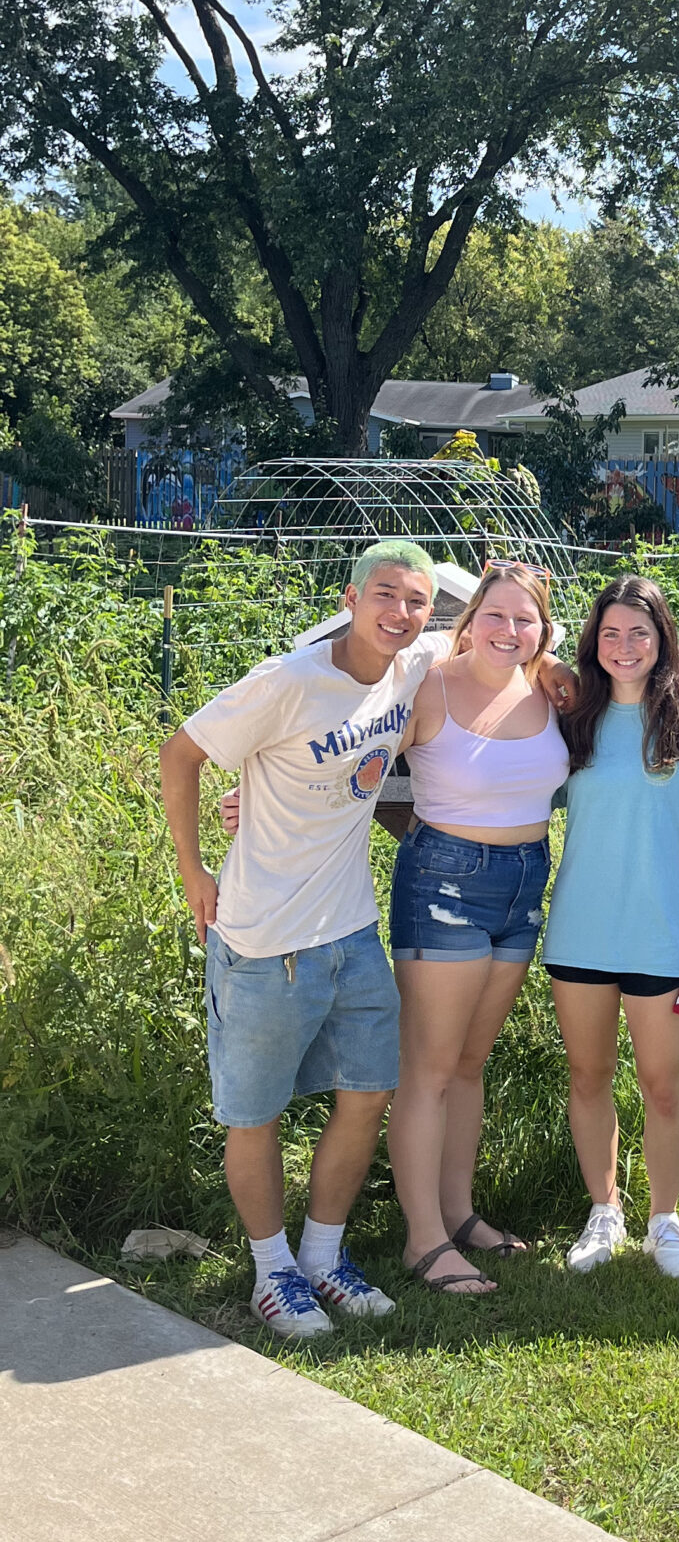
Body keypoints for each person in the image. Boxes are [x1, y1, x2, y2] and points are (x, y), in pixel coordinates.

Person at [160, 541, 449, 1338]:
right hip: (263, 941)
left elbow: (500, 609)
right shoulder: (287, 682)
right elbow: (179, 752)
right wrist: (193, 870)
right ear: (350, 599)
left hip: (352, 935)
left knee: (367, 1096)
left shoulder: (412, 660)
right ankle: (271, 1271)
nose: (400, 613)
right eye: (384, 595)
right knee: (254, 1117)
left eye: (416, 600)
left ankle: (324, 1255)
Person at [542, 575, 679, 1281]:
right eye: (610, 633)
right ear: (592, 643)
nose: (624, 646)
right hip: (580, 933)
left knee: (663, 1084)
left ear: (662, 641)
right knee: (588, 1074)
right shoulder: (571, 722)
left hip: (665, 934)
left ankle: (665, 1218)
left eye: (639, 632)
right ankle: (605, 1211)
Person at [386, 563, 571, 1296]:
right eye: (495, 615)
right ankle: (422, 1240)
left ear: (542, 629)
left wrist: (551, 661)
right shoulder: (427, 685)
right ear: (471, 620)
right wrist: (264, 796)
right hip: (443, 883)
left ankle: (458, 1216)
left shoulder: (550, 689)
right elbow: (356, 760)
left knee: (468, 1064)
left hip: (525, 882)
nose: (509, 630)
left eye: (525, 620)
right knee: (428, 1070)